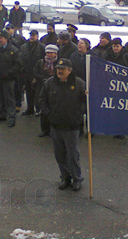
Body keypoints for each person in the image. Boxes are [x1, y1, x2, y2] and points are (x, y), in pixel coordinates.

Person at [39, 58, 87, 191]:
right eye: (58, 69)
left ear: (69, 70)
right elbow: (42, 100)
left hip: (71, 126)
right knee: (59, 154)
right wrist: (50, 115)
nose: (59, 71)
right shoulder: (50, 83)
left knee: (72, 154)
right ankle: (65, 177)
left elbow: (86, 101)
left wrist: (78, 114)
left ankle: (77, 178)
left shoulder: (79, 84)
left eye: (62, 69)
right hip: (56, 125)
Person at [0, 30, 21, 127]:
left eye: (1, 38)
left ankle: (11, 117)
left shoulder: (13, 50)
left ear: (6, 39)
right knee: (1, 97)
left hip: (9, 79)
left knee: (10, 98)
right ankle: (2, 115)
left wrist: (9, 73)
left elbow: (18, 64)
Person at [33, 44, 59, 137]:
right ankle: (44, 130)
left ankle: (54, 129)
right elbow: (35, 73)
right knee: (44, 109)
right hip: (42, 87)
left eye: (51, 53)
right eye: (48, 52)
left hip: (55, 88)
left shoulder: (59, 62)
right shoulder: (40, 62)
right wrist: (44, 78)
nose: (49, 55)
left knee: (54, 109)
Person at [19, 30, 45, 116]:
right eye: (31, 35)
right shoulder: (24, 47)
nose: (32, 37)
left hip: (37, 74)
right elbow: (21, 59)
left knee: (38, 93)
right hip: (27, 73)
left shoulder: (41, 47)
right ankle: (29, 109)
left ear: (37, 36)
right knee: (28, 92)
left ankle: (38, 109)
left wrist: (39, 74)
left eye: (34, 35)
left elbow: (43, 61)